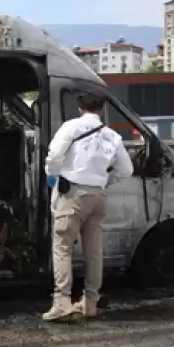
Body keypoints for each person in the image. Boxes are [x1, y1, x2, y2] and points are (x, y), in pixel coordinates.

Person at [42, 91, 134, 321]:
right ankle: (90, 303)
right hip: (98, 196)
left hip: (73, 194)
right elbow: (127, 170)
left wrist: (53, 174)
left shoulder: (71, 127)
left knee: (62, 247)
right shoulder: (112, 136)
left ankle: (62, 302)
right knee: (94, 252)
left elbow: (54, 156)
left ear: (79, 108)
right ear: (102, 109)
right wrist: (102, 181)